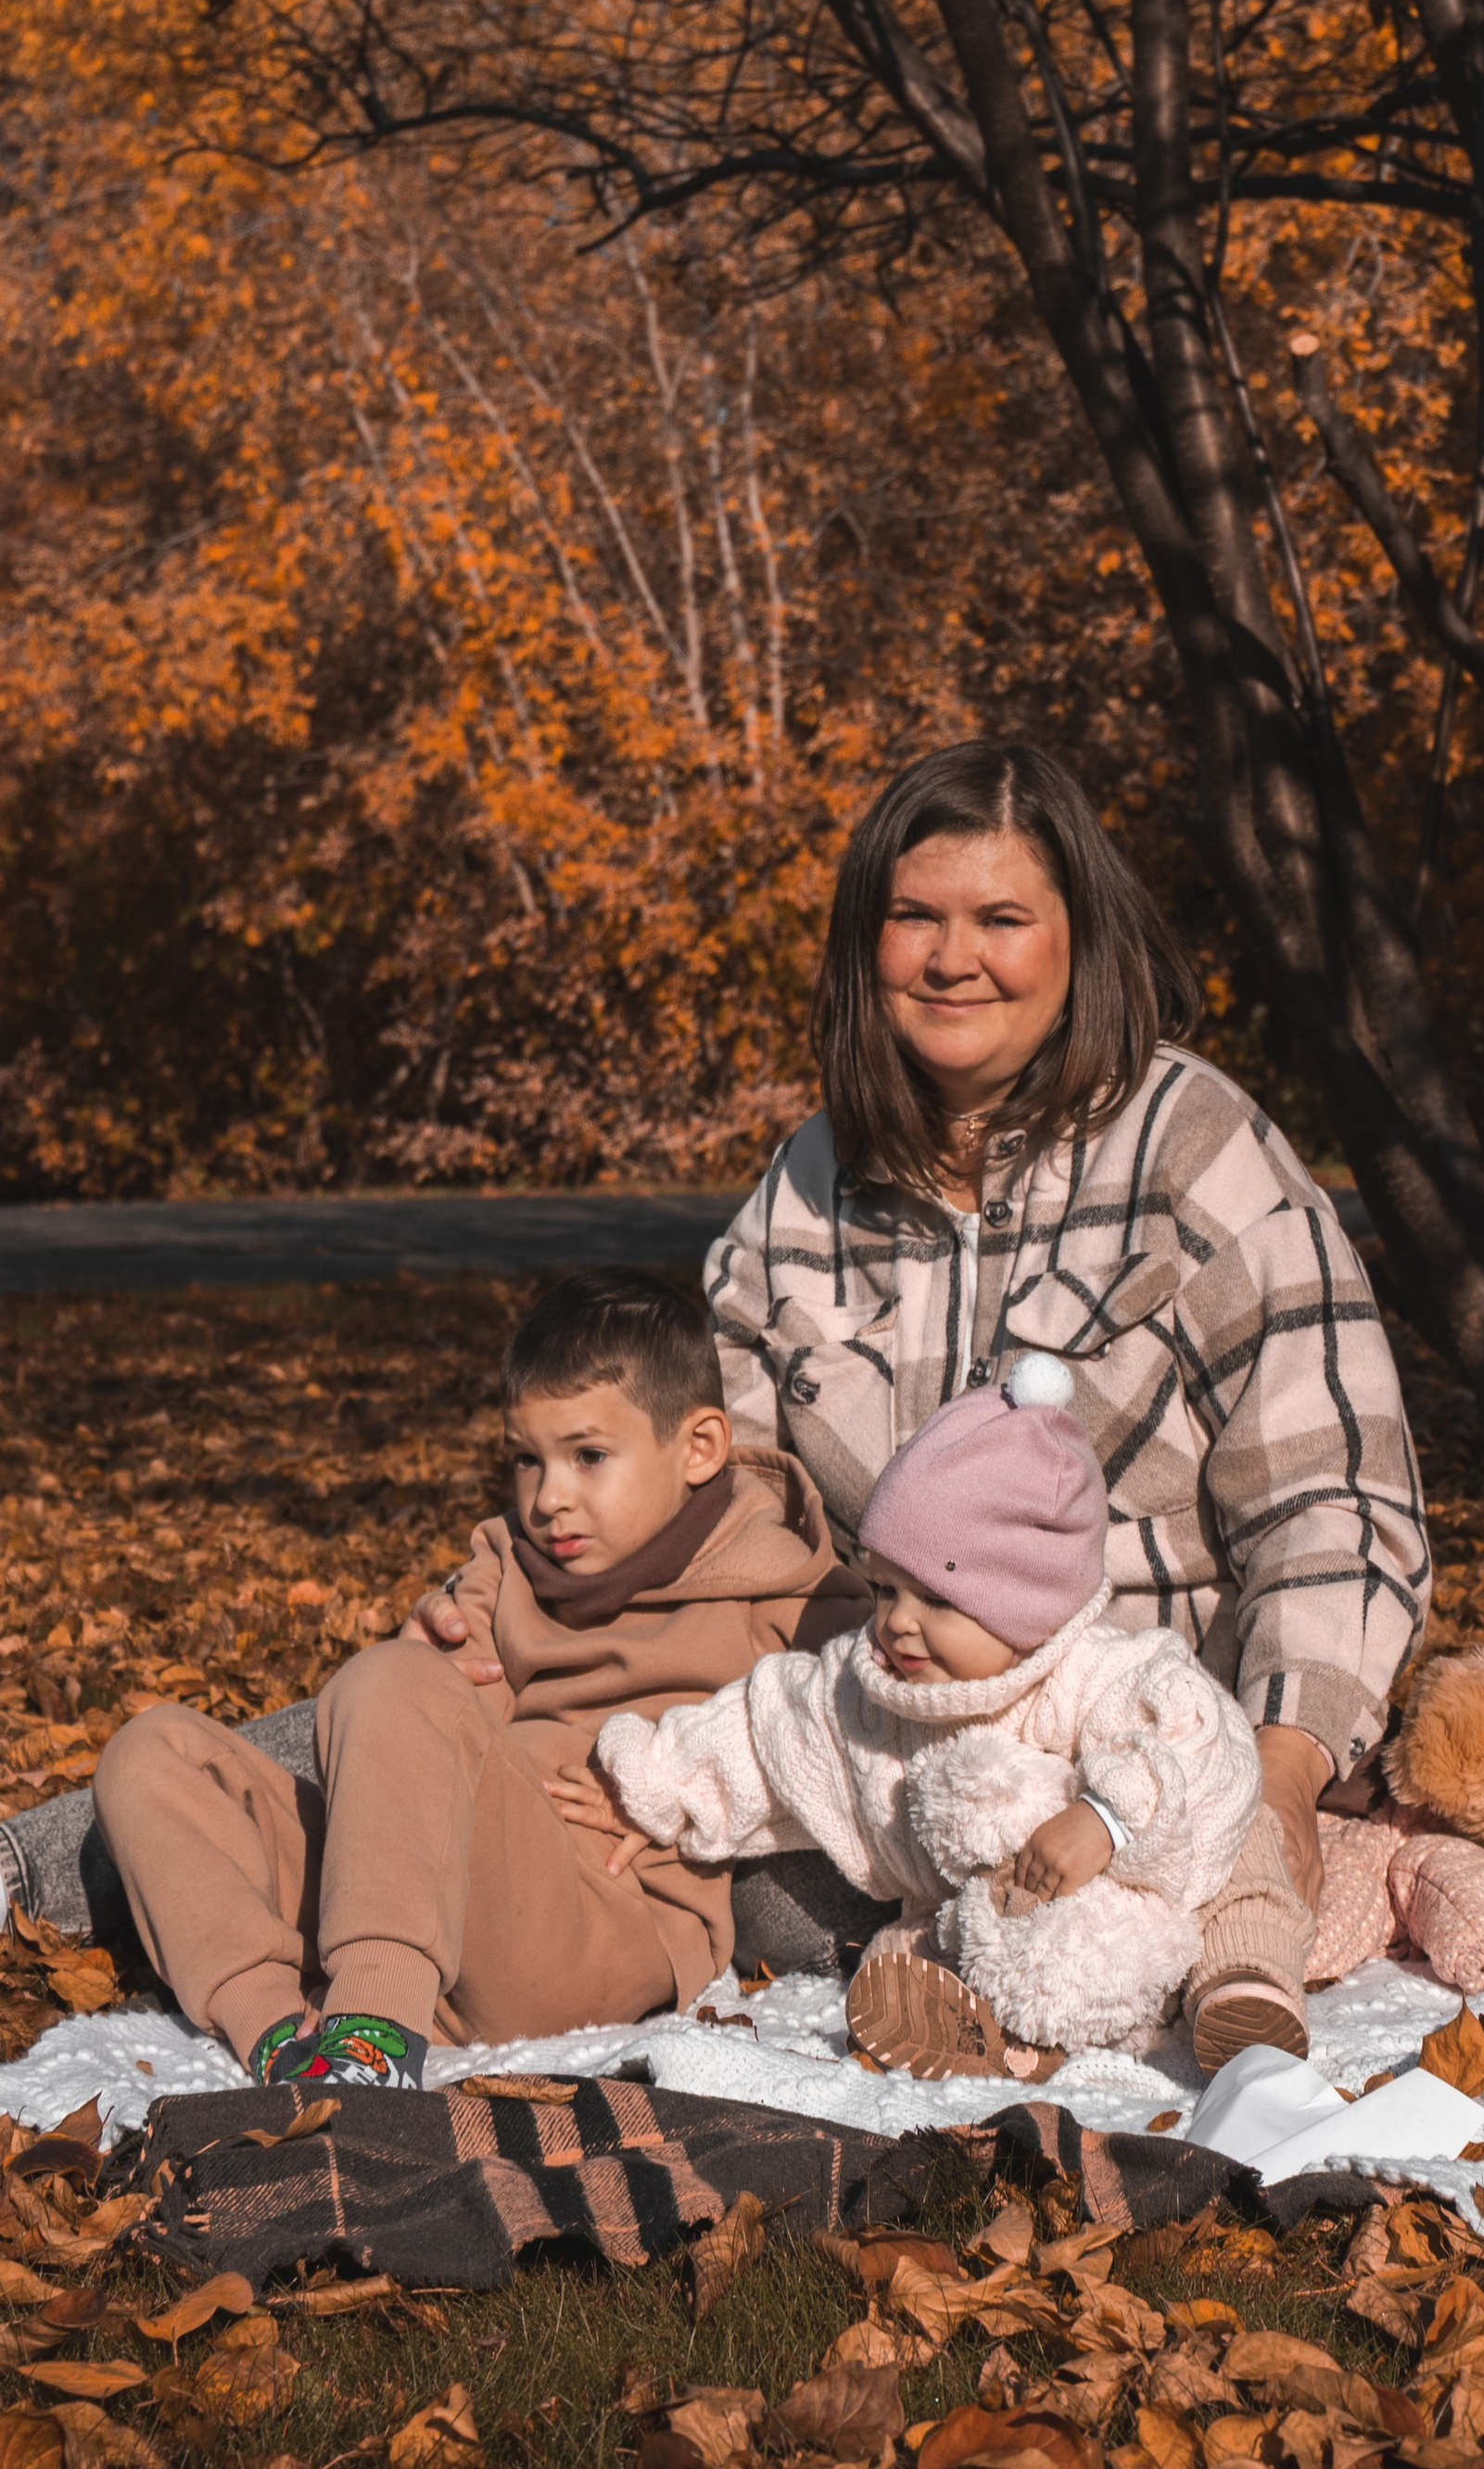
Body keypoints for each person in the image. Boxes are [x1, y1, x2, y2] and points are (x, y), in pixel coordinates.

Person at [450, 740, 1432, 2068]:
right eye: (916, 918)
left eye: (1001, 920)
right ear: (869, 943)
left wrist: (1287, 1766)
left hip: (1127, 1753)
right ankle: (117, 1853)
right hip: (880, 1740)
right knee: (444, 1731)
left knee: (570, 1838)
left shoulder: (1195, 1150)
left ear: (1078, 940)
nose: (952, 958)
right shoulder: (808, 1188)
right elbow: (700, 1490)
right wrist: (510, 1602)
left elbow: (1337, 1504)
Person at [90, 1270, 860, 2084]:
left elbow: (866, 1734)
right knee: (150, 1752)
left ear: (698, 1448)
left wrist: (694, 1787)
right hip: (443, 1906)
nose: (549, 1498)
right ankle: (282, 2033)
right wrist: (418, 1684)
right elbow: (426, 1734)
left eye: (588, 1456)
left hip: (604, 1922)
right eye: (527, 1461)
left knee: (389, 1679)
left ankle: (373, 2041)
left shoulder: (779, 1586)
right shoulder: (508, 1569)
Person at [564, 1358, 1265, 2075]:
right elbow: (765, 1727)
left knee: (1099, 1937)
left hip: (1089, 1892)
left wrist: (1106, 1821)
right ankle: (950, 2014)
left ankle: (1030, 2039)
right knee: (857, 1933)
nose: (896, 1623)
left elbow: (1197, 1744)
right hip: (953, 1915)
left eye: (934, 1600)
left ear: (1026, 1603)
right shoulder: (867, 1683)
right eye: (883, 1589)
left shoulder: (1099, 1673)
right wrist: (649, 1785)